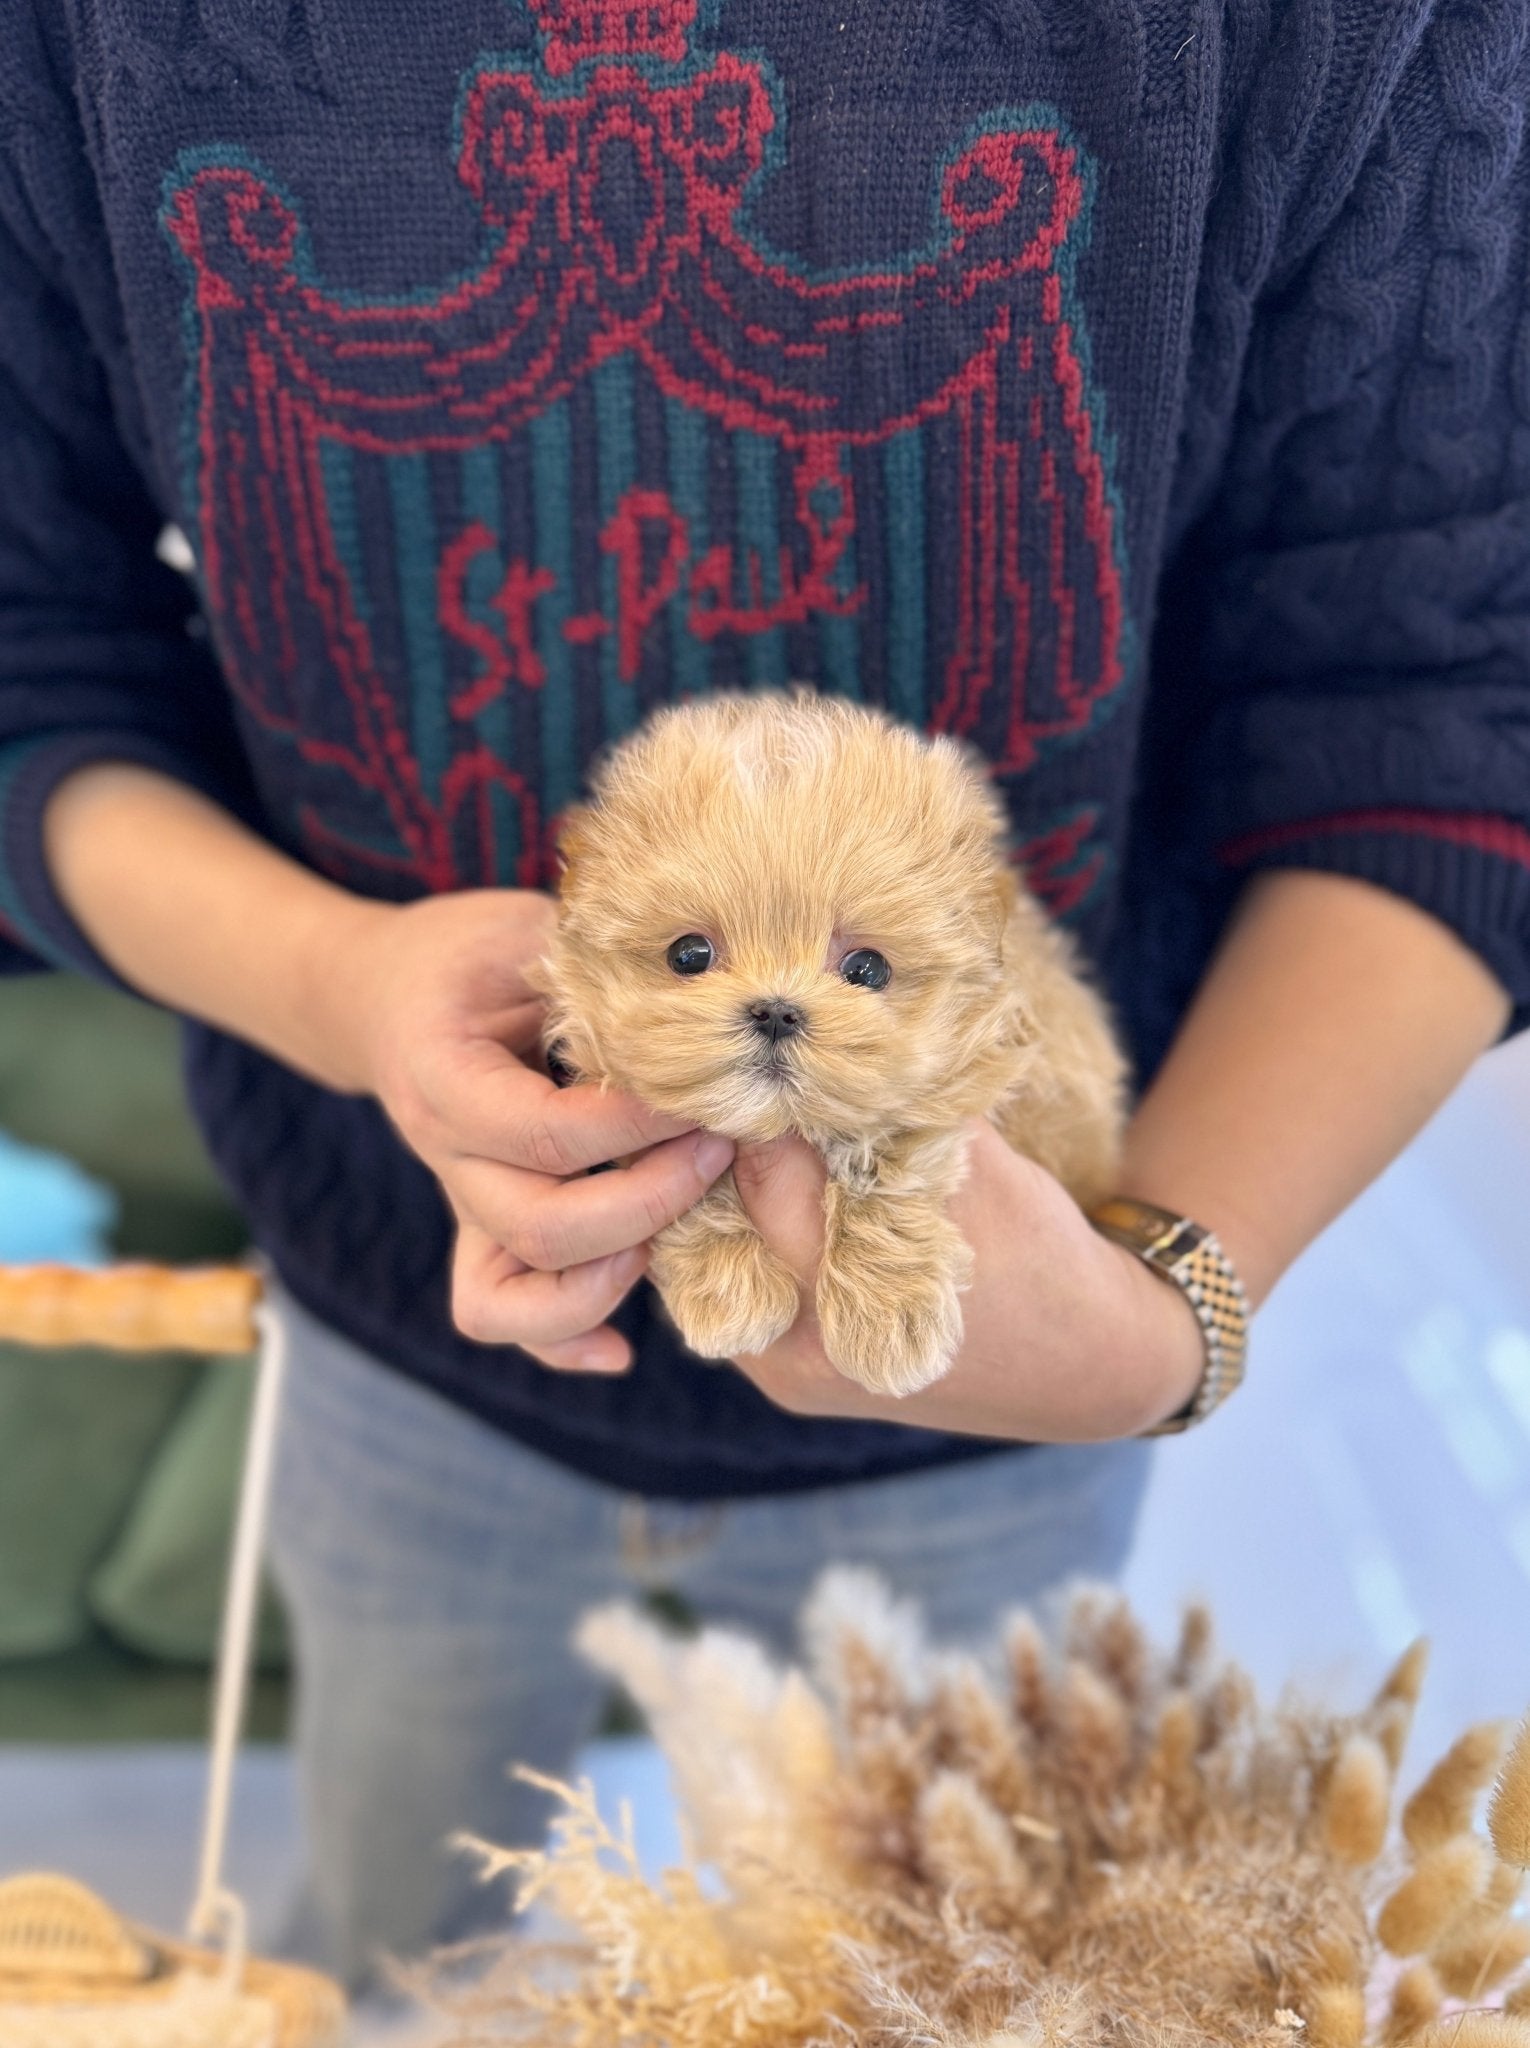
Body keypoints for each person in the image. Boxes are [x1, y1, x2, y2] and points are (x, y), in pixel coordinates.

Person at [2, 0, 1525, 1989]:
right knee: (396, 1939)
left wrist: (1165, 1306)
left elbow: (1436, 703)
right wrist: (338, 984)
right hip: (390, 1324)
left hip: (1012, 1374)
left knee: (949, 1983)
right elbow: (34, 644)